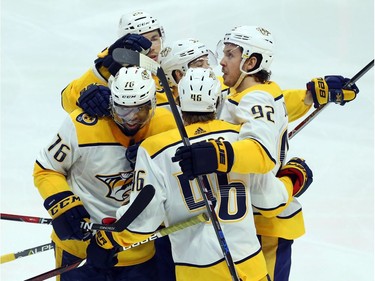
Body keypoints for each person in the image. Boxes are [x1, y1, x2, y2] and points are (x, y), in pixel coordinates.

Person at [85, 68, 313, 281]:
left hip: (196, 271)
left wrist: (110, 240)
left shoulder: (155, 149)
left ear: (179, 102)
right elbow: (271, 202)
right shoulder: (240, 141)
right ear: (217, 101)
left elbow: (142, 221)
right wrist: (293, 177)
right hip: (251, 268)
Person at [172, 26, 359, 281]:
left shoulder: (255, 99)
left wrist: (290, 182)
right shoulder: (252, 93)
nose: (222, 63)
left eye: (229, 55)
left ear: (251, 62)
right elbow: (273, 104)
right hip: (248, 221)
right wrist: (309, 96)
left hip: (263, 225)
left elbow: (262, 160)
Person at [33, 66, 177, 281]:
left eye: (140, 111)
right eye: (122, 110)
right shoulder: (82, 125)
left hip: (138, 251)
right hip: (80, 250)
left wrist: (156, 155)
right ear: (111, 102)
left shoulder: (168, 126)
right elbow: (46, 168)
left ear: (153, 104)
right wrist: (63, 205)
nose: (131, 119)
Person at [61, 10, 167, 115]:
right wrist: (104, 71)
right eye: (142, 42)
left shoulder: (173, 67)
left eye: (154, 39)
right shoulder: (121, 81)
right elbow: (68, 102)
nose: (151, 48)